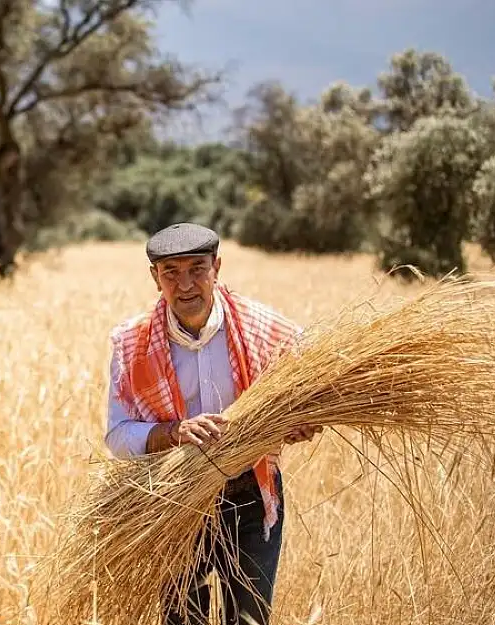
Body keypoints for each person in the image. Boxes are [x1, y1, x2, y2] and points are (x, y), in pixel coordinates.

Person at [104, 222, 322, 625]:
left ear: (217, 268)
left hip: (251, 497)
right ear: (155, 279)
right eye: (171, 272)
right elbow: (116, 436)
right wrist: (173, 433)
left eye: (197, 269)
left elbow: (304, 402)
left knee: (250, 619)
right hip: (175, 502)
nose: (185, 284)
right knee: (183, 619)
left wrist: (300, 424)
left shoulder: (268, 330)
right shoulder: (131, 344)